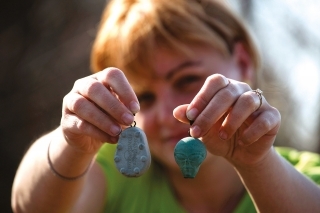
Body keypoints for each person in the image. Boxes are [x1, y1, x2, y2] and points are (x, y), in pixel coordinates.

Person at [11, 0, 320, 212]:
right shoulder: (113, 174)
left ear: (241, 61)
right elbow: (30, 205)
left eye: (187, 79)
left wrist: (257, 163)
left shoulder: (308, 177)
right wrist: (70, 144)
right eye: (143, 98)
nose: (165, 113)